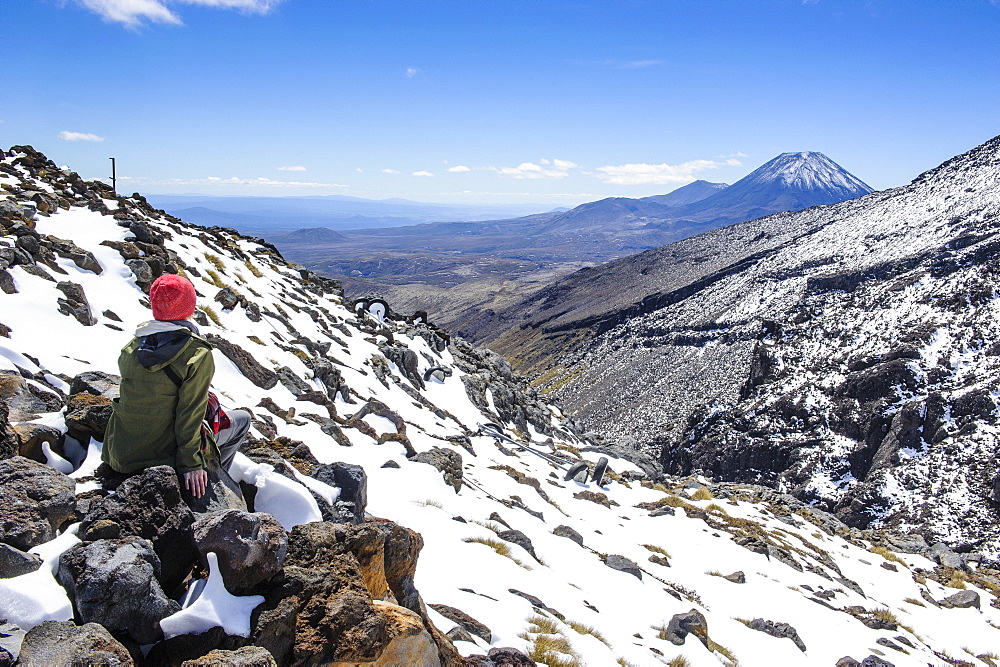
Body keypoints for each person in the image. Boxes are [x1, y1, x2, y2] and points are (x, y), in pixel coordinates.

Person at [101, 274, 250, 497]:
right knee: (242, 420)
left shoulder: (133, 346)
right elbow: (189, 413)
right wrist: (191, 463)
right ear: (188, 306)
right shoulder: (196, 353)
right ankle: (215, 480)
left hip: (120, 454)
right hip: (162, 453)